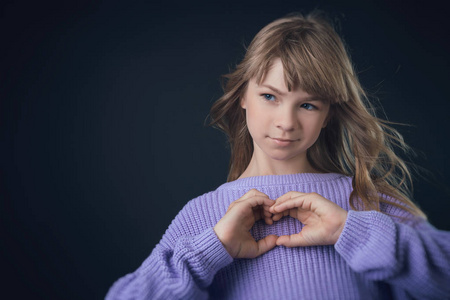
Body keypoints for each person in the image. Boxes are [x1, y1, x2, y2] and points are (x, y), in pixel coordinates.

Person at [105, 11, 450, 299]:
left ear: (329, 113)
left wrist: (352, 230)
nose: (286, 123)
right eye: (270, 96)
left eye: (308, 104)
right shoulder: (203, 216)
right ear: (242, 96)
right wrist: (211, 250)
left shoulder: (365, 202)